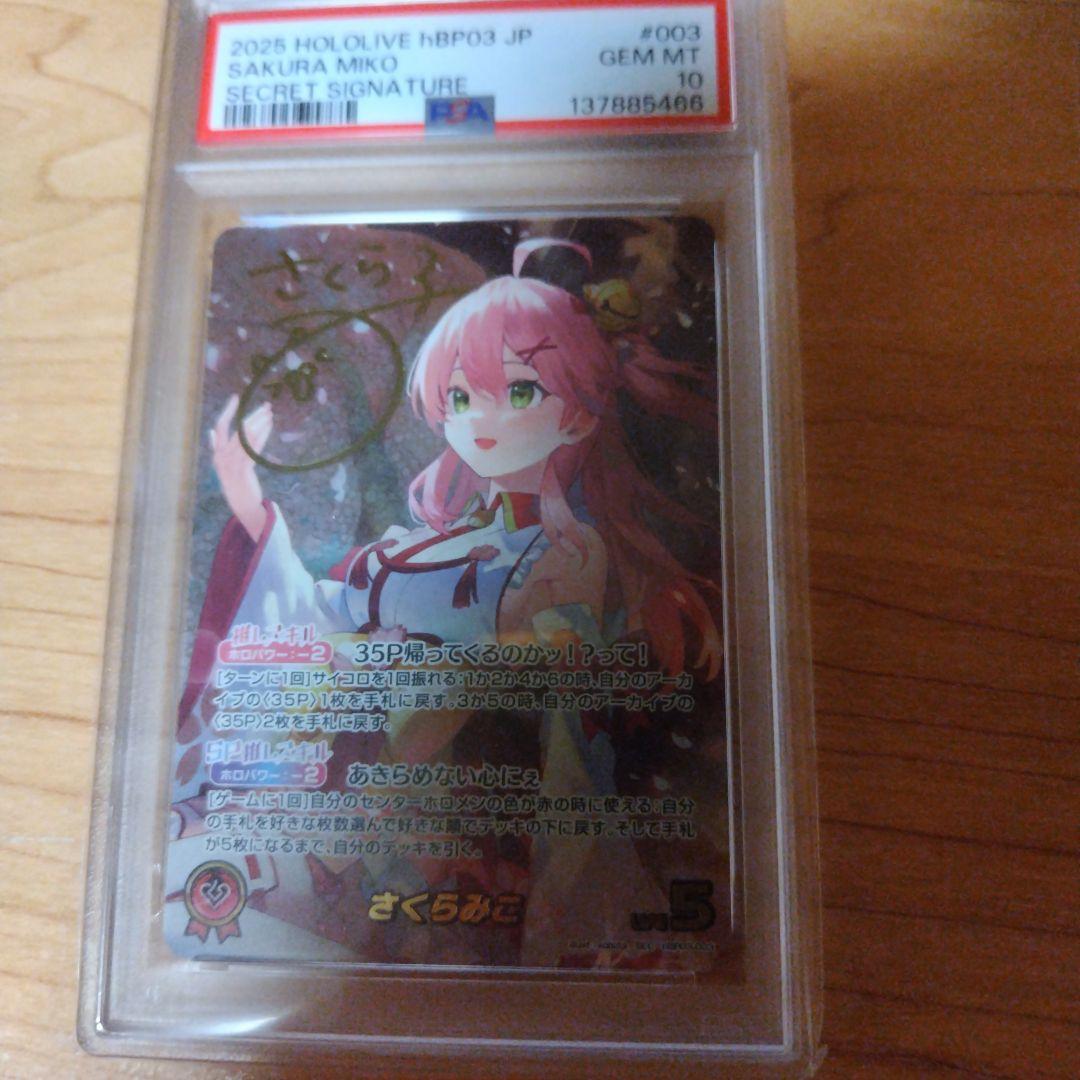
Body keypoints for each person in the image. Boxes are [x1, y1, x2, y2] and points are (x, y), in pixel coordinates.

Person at [174, 237, 723, 967]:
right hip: (364, 790)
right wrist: (247, 498)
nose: (480, 418)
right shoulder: (434, 541)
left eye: (519, 392)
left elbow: (530, 673)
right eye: (461, 397)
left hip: (460, 812)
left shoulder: (570, 554)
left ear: (580, 414)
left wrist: (386, 667)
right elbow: (323, 611)